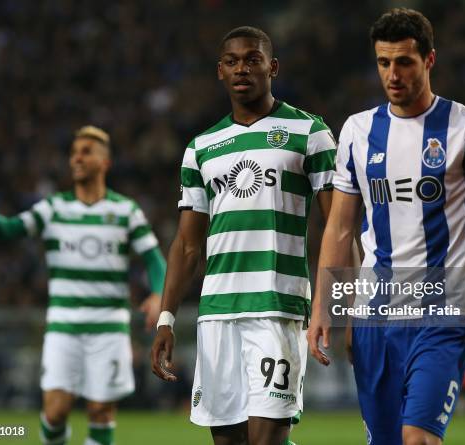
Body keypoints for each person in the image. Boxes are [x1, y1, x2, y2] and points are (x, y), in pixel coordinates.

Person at [307, 8, 465, 445]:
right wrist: (325, 307)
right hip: (375, 314)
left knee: (418, 438)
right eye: (384, 63)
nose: (393, 74)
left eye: (404, 61)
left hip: (444, 311)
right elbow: (340, 229)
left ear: (429, 60)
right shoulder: (358, 131)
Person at [150, 26, 336, 445]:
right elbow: (187, 244)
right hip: (217, 311)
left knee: (267, 438)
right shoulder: (202, 146)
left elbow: (338, 226)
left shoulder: (311, 132)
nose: (242, 69)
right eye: (232, 62)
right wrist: (166, 318)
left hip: (277, 305)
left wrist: (339, 303)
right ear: (220, 71)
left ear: (272, 67)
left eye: (252, 59)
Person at [0, 125, 166, 445]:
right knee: (55, 412)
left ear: (105, 163)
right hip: (64, 326)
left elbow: (154, 258)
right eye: (74, 152)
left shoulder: (125, 211)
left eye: (86, 152)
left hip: (108, 327)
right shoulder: (53, 208)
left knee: (101, 411)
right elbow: (11, 230)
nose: (76, 158)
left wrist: (159, 293)